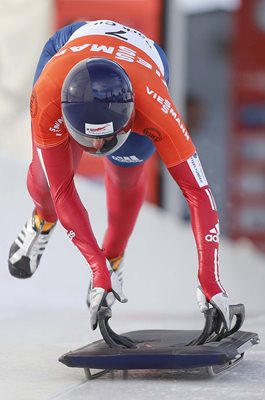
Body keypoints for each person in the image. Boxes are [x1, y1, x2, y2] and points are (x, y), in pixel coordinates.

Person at [8, 20, 230, 331]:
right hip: (65, 50)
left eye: (106, 137)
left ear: (130, 117)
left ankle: (114, 255)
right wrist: (96, 270)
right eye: (87, 139)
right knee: (47, 183)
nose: (97, 148)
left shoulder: (155, 107)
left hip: (144, 70)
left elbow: (198, 190)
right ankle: (43, 219)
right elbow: (63, 191)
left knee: (126, 175)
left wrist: (210, 279)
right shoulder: (47, 97)